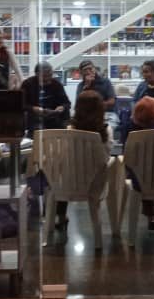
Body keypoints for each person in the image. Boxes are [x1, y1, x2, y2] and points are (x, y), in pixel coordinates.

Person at [49, 90, 114, 232]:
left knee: (62, 174)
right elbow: (106, 156)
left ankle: (61, 216)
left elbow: (64, 155)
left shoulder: (70, 130)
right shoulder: (106, 130)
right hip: (96, 185)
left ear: (78, 108)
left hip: (70, 184)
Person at [126, 96, 154, 229]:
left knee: (142, 173)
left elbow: (127, 159)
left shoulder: (132, 135)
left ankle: (151, 215)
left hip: (141, 181)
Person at [21, 61, 70, 134]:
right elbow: (20, 104)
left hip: (54, 118)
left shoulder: (56, 84)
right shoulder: (28, 84)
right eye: (45, 76)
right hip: (35, 119)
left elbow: (67, 103)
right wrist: (33, 108)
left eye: (50, 75)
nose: (48, 79)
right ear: (37, 74)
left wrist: (62, 107)